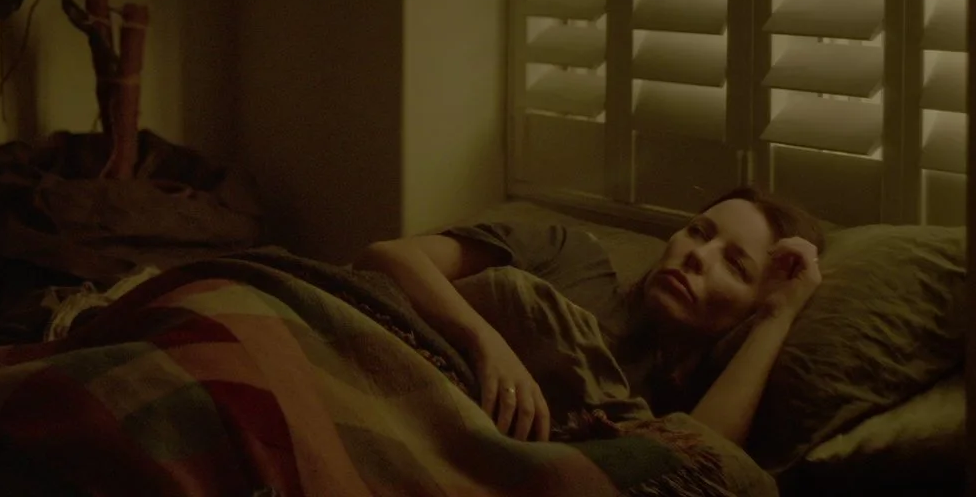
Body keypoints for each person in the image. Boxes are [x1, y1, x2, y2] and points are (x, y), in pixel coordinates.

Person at [351, 186, 825, 447]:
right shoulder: (573, 258)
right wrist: (486, 341)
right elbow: (388, 257)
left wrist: (778, 315)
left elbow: (704, 463)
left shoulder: (673, 408)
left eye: (735, 265)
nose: (699, 255)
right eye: (699, 232)